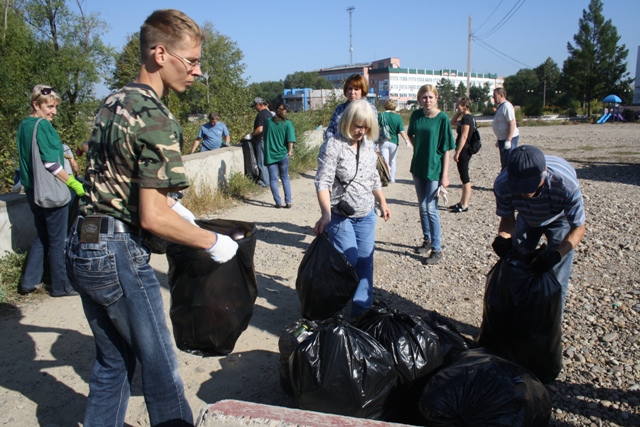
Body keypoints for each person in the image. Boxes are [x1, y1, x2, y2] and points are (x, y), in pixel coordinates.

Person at [65, 9, 239, 426]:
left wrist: (176, 210)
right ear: (161, 54)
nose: (198, 71)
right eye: (192, 60)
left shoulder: (112, 102)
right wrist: (213, 242)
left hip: (84, 241)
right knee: (161, 369)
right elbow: (153, 217)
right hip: (117, 251)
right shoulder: (156, 116)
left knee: (112, 364)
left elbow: (117, 184)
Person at [313, 100, 391, 318]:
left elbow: (373, 177)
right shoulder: (333, 145)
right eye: (358, 126)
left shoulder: (368, 145)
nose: (361, 131)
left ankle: (361, 313)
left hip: (366, 215)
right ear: (347, 122)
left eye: (366, 127)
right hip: (340, 215)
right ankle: (331, 304)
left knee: (365, 264)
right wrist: (326, 213)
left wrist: (382, 202)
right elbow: (323, 182)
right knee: (350, 260)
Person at [492, 145, 586, 310]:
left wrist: (556, 255)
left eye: (530, 185)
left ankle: (550, 323)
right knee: (515, 265)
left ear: (545, 172)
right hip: (526, 217)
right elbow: (507, 220)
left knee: (556, 275)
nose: (526, 192)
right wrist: (503, 238)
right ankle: (517, 313)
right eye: (519, 187)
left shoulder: (565, 184)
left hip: (558, 217)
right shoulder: (502, 184)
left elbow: (578, 228)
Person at [16, 85, 84, 297]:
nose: (53, 111)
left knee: (43, 235)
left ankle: (29, 282)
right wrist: (73, 183)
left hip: (32, 190)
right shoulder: (42, 126)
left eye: (55, 107)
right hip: (51, 192)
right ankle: (60, 286)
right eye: (50, 106)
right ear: (36, 105)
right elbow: (51, 164)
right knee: (58, 240)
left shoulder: (24, 125)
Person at [407, 84, 455, 265]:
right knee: (422, 206)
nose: (427, 100)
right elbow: (411, 135)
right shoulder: (416, 115)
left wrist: (445, 175)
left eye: (430, 97)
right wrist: (419, 147)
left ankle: (437, 249)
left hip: (435, 168)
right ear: (419, 99)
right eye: (424, 97)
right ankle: (427, 240)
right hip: (419, 166)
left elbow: (447, 148)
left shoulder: (442, 118)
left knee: (430, 208)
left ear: (436, 98)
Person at [324, 73, 377, 141]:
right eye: (350, 89)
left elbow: (372, 133)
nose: (352, 92)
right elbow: (330, 130)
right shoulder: (340, 109)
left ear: (363, 91)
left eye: (356, 89)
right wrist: (333, 143)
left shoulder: (370, 109)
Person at [264, 102, 296, 208]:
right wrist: (289, 151)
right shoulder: (287, 123)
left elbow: (264, 135)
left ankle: (278, 202)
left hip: (270, 155)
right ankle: (288, 201)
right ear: (285, 111)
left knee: (273, 179)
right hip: (282, 154)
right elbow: (290, 140)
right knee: (284, 177)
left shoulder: (268, 122)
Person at [449, 96, 475, 212]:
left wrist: (458, 152)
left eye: (459, 104)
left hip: (464, 150)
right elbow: (452, 123)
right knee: (462, 176)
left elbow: (464, 136)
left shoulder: (467, 119)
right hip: (464, 150)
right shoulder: (467, 118)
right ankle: (462, 201)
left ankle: (465, 204)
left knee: (465, 177)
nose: (457, 106)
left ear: (464, 106)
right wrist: (459, 113)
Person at [376, 99, 411, 183]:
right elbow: (401, 131)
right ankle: (392, 178)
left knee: (385, 160)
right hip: (394, 142)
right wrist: (406, 141)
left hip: (383, 141)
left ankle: (385, 176)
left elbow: (375, 127)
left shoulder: (381, 115)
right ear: (394, 107)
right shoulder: (397, 117)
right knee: (392, 161)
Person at [245, 97, 271, 187]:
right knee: (268, 161)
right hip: (268, 140)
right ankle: (270, 179)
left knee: (261, 162)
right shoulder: (269, 114)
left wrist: (251, 134)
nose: (255, 109)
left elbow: (260, 129)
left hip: (261, 140)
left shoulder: (261, 114)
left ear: (258, 105)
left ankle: (264, 181)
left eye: (255, 106)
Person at [492, 87, 520, 169]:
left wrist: (508, 140)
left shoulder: (506, 106)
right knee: (504, 161)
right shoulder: (500, 106)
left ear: (501, 95)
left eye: (495, 95)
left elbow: (512, 123)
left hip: (508, 139)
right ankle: (505, 177)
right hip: (502, 138)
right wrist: (499, 138)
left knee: (508, 161)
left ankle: (508, 179)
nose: (493, 97)